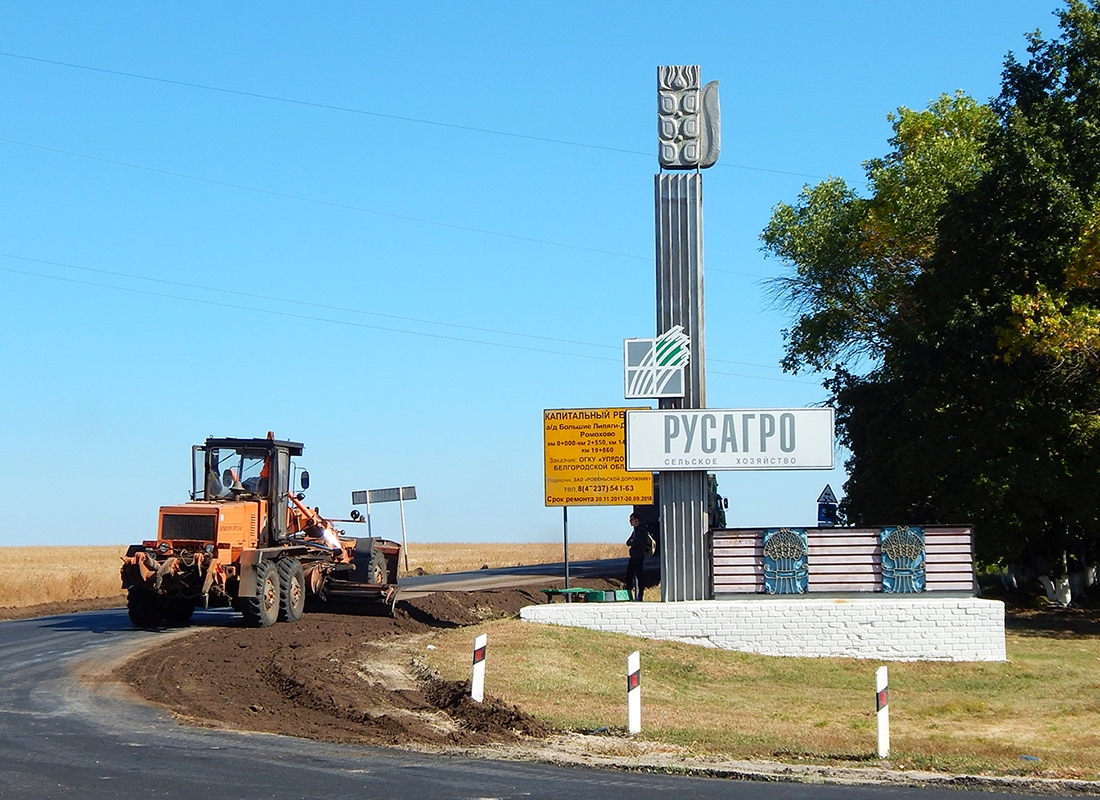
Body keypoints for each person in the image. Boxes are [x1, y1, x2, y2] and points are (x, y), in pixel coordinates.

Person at [625, 513, 650, 601]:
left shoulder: (642, 530)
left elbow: (636, 542)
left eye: (631, 519)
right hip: (634, 556)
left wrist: (633, 542)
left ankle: (640, 595)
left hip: (639, 556)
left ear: (637, 520)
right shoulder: (635, 531)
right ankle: (629, 594)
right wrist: (632, 541)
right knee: (629, 574)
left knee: (639, 575)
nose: (630, 521)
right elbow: (628, 542)